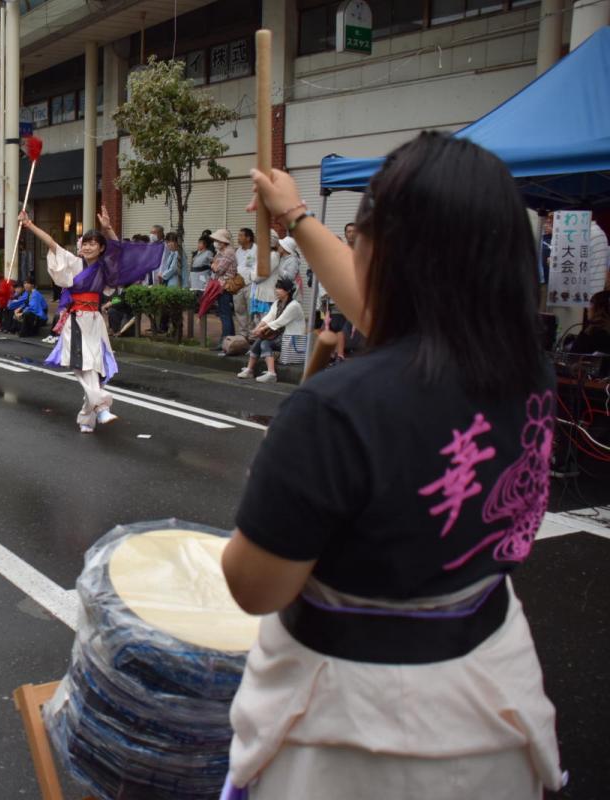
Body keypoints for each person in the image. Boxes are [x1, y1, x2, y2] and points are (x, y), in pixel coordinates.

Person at [220, 132, 563, 799]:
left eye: (362, 235)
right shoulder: (529, 371)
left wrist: (275, 486)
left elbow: (254, 587)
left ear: (384, 252)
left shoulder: (336, 409)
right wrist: (295, 215)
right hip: (493, 702)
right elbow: (386, 311)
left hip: (354, 738)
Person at [18, 207, 163, 433]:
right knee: (83, 366)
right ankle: (102, 408)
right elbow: (52, 243)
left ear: (101, 248)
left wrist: (109, 228)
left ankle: (87, 418)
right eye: (85, 243)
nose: (87, 247)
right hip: (75, 320)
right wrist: (30, 225)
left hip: (95, 321)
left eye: (93, 243)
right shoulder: (74, 263)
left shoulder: (105, 270)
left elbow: (120, 254)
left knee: (95, 366)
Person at [235, 277, 303, 384]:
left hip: (291, 339)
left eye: (280, 288)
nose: (276, 291)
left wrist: (260, 329)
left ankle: (271, 374)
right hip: (280, 336)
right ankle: (249, 370)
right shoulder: (277, 303)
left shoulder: (294, 306)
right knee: (260, 340)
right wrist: (257, 329)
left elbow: (279, 322)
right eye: (276, 288)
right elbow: (268, 318)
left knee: (265, 342)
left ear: (288, 291)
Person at [208, 229, 238, 350]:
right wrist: (214, 265)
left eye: (217, 240)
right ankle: (228, 340)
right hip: (220, 285)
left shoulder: (228, 252)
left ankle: (226, 340)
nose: (215, 242)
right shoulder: (221, 251)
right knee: (224, 313)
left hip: (225, 286)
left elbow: (218, 269)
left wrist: (214, 266)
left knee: (225, 314)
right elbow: (214, 265)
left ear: (223, 241)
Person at [234, 227, 257, 337]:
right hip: (238, 285)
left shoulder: (256, 249)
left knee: (251, 310)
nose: (238, 238)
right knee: (239, 309)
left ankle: (252, 335)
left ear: (248, 238)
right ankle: (243, 334)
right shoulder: (238, 251)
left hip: (251, 285)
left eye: (240, 236)